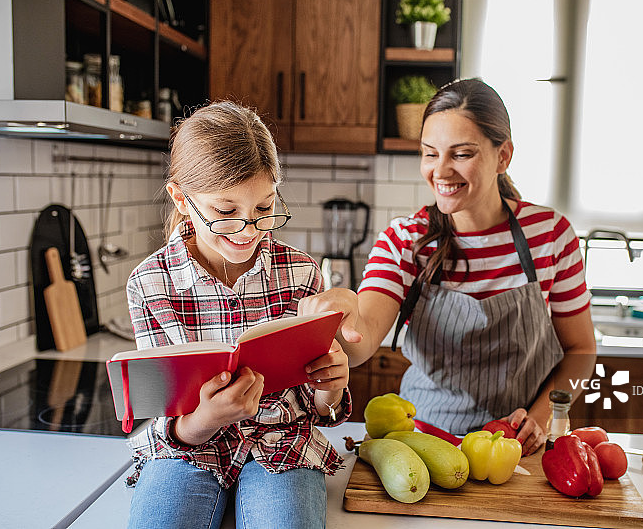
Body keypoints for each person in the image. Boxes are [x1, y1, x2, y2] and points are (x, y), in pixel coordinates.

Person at [299, 78, 596, 455]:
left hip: (518, 447)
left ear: (502, 156)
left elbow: (582, 349)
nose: (440, 171)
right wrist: (340, 314)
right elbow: (361, 343)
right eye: (429, 153)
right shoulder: (404, 240)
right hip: (423, 443)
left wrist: (540, 417)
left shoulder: (550, 234)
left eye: (461, 154)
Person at [124, 101, 351, 529]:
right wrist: (206, 420)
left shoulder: (301, 272)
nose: (248, 230)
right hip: (189, 448)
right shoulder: (150, 283)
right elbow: (166, 422)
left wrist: (331, 388)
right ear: (181, 198)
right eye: (226, 213)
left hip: (282, 444)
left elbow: (321, 408)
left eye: (263, 209)